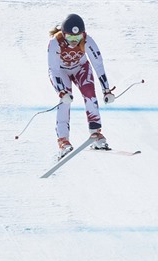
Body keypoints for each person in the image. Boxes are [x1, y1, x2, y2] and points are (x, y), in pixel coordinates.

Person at [48, 14, 116, 159]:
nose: (74, 42)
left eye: (77, 38)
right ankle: (63, 141)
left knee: (90, 94)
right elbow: (53, 70)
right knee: (64, 102)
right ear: (64, 34)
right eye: (71, 39)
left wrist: (106, 90)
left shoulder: (87, 40)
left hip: (81, 68)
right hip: (61, 71)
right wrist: (61, 91)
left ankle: (96, 133)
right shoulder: (55, 43)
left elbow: (98, 64)